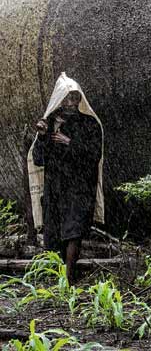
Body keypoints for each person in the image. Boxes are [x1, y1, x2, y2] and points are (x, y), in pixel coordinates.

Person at [26, 73, 105, 285]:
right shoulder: (50, 124)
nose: (72, 102)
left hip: (79, 187)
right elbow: (39, 159)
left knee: (74, 230)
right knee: (56, 232)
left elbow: (93, 155)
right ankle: (61, 278)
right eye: (68, 98)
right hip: (56, 188)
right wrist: (42, 137)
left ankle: (69, 278)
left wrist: (69, 141)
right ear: (60, 99)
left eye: (75, 98)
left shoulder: (89, 124)